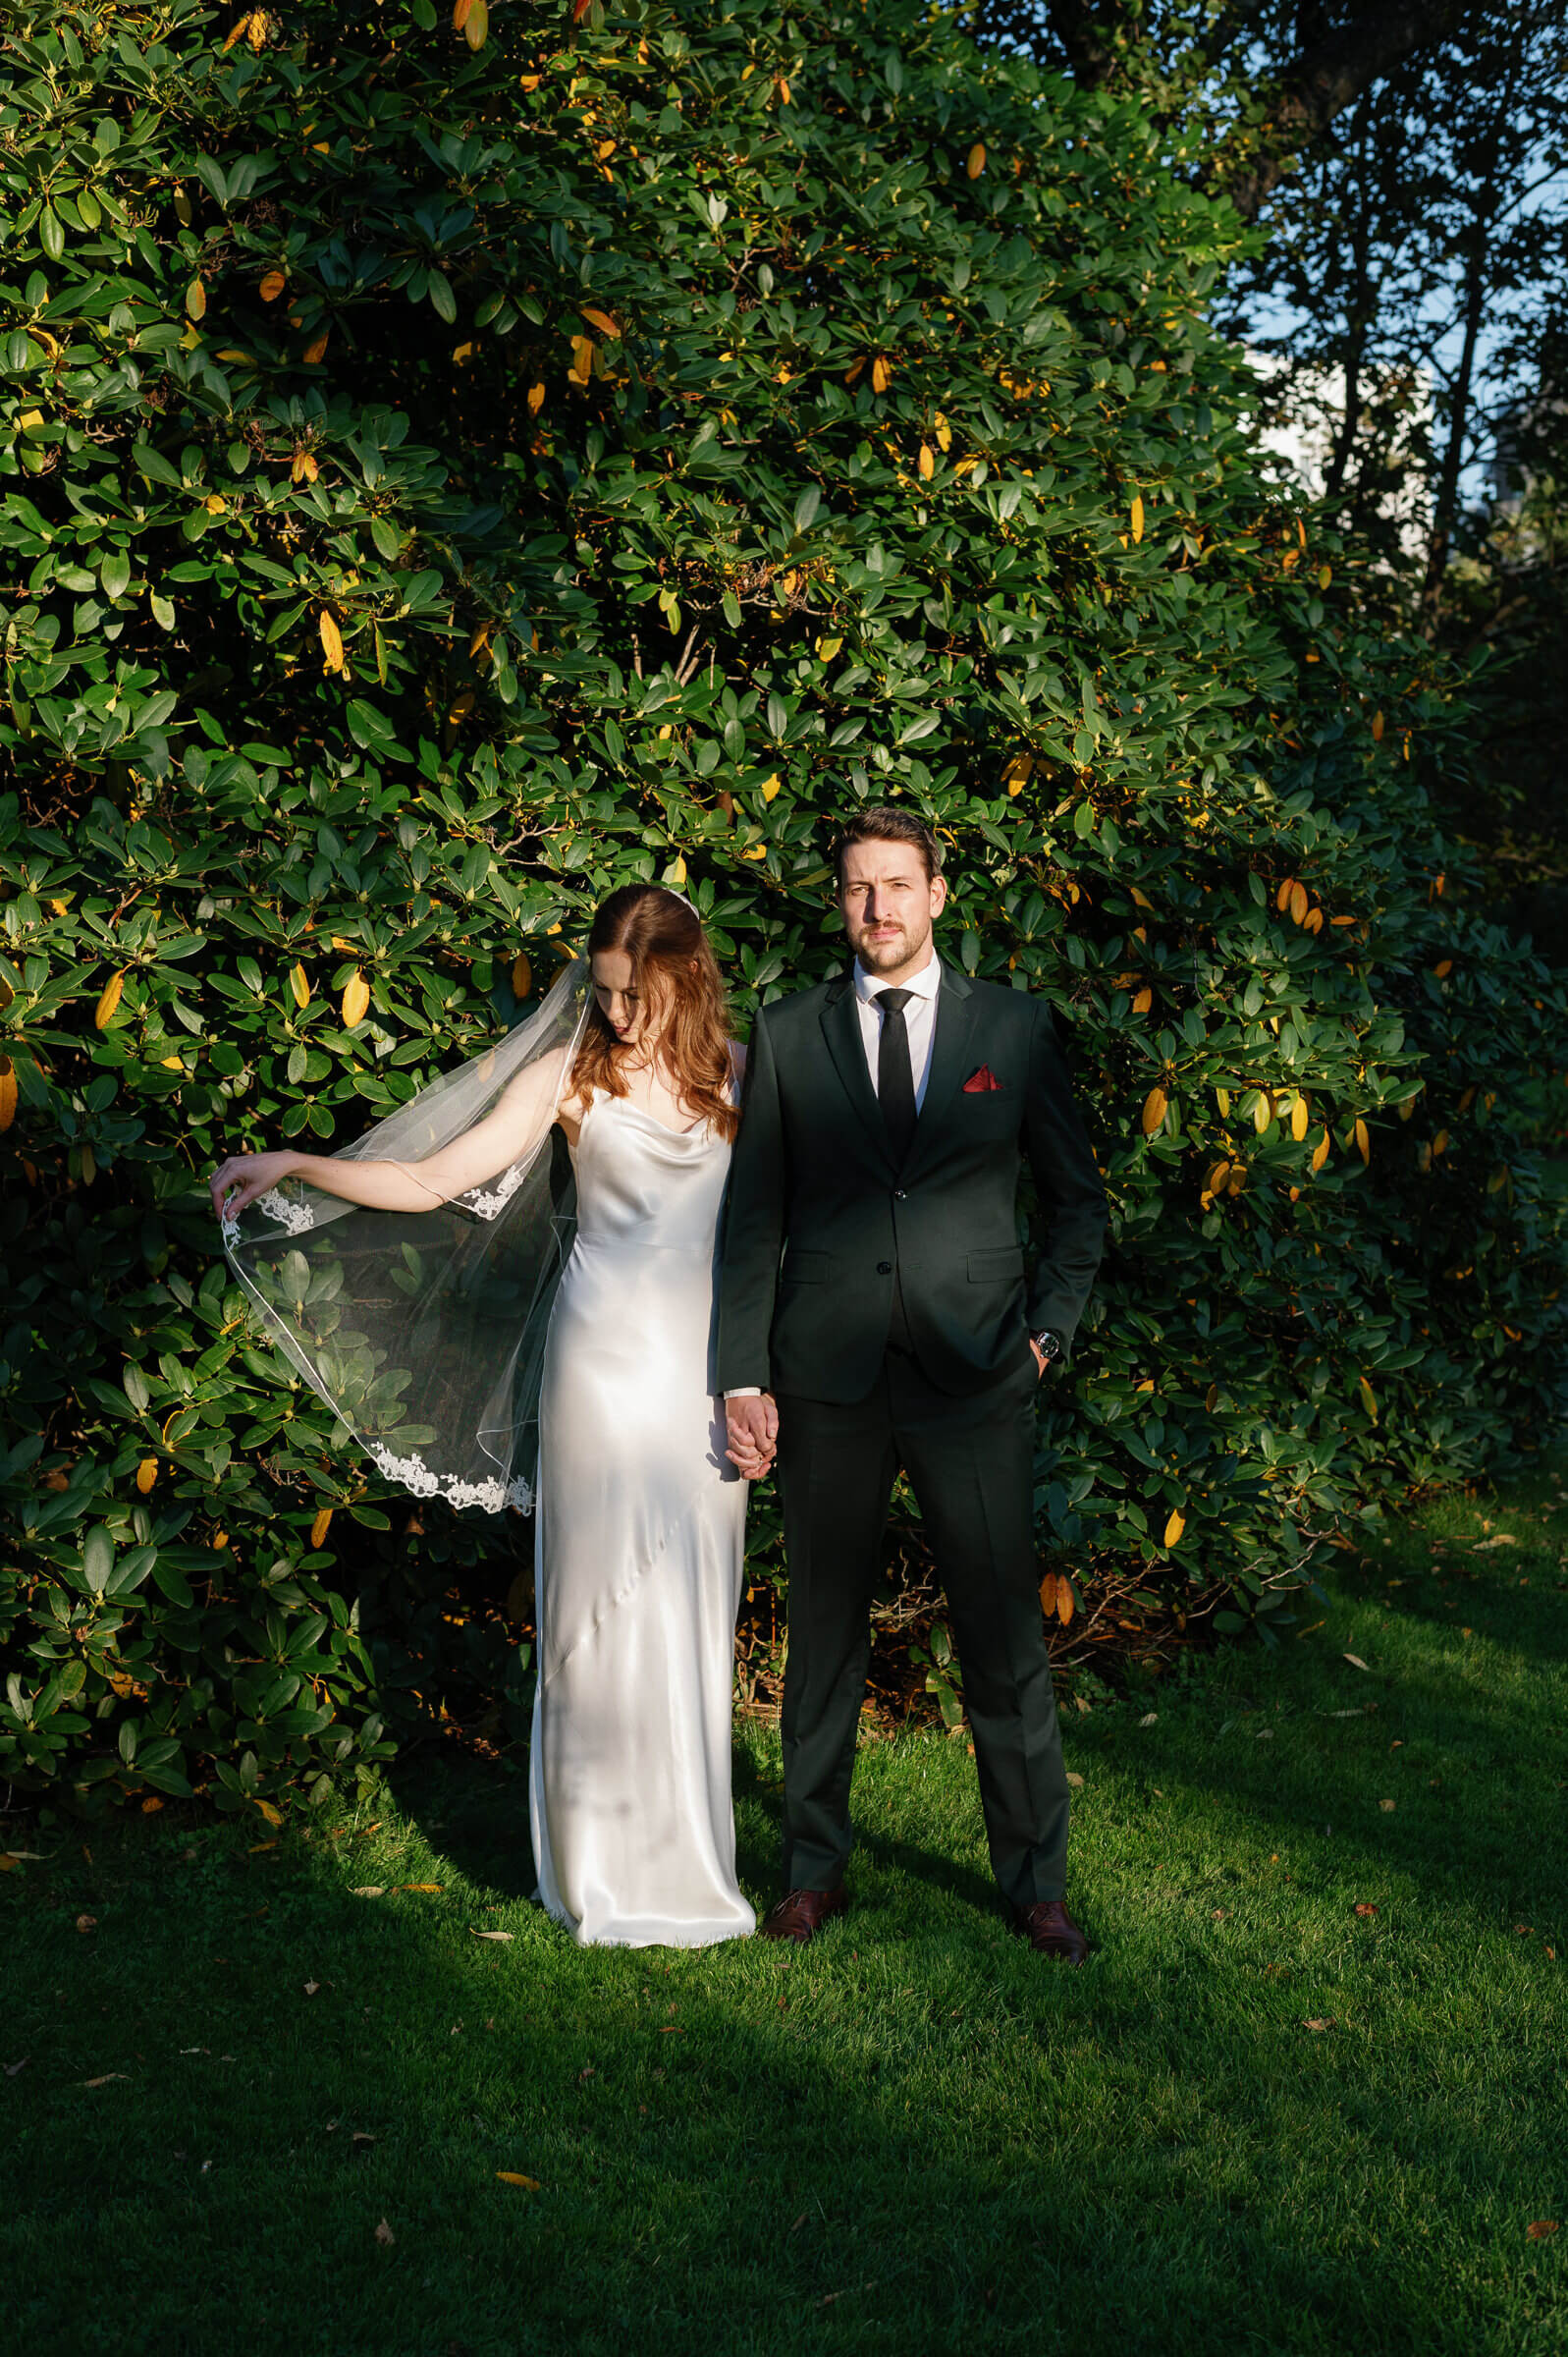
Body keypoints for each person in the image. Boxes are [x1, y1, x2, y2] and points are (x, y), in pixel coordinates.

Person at [211, 885, 755, 1950]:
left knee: (694, 1601)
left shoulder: (744, 1077)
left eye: (635, 996)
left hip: (707, 1373)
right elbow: (434, 1177)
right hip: (602, 1365)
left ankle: (696, 1865)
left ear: (687, 977)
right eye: (600, 994)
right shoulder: (569, 1072)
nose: (615, 1017)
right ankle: (600, 1878)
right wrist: (302, 1166)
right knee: (599, 1610)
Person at [718, 807, 1107, 1961]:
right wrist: (741, 1375)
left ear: (938, 893)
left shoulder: (1016, 1028)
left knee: (1001, 1641)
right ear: (837, 901)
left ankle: (1036, 1884)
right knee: (823, 1637)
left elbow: (1077, 1206)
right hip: (825, 1378)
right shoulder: (788, 1034)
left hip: (975, 1375)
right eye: (855, 888)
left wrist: (1042, 1337)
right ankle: (810, 1871)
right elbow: (753, 1222)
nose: (876, 906)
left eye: (896, 884)